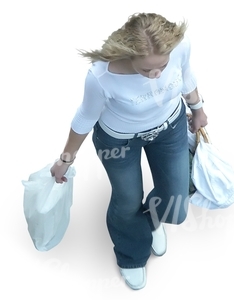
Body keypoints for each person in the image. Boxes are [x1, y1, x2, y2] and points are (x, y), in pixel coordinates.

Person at [50, 12, 208, 290]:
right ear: (128, 54)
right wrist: (66, 159)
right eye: (146, 70)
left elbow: (186, 76)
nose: (156, 75)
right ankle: (131, 254)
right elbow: (85, 117)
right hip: (119, 142)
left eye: (162, 66)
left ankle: (150, 218)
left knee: (177, 203)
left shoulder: (180, 46)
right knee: (127, 201)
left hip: (169, 129)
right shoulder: (101, 76)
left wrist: (198, 108)